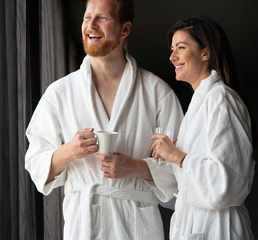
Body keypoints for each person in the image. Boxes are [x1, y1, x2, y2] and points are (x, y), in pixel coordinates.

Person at [25, 0, 183, 239]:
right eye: (87, 17)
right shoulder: (60, 93)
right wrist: (69, 151)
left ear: (125, 30)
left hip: (138, 226)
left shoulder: (157, 93)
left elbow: (182, 170)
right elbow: (36, 166)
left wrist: (137, 167)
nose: (91, 25)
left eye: (103, 18)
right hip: (83, 225)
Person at [150, 16, 255, 239]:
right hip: (196, 224)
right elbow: (188, 184)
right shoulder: (201, 103)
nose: (172, 57)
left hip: (218, 227)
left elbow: (226, 183)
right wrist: (170, 158)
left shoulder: (220, 99)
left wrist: (178, 157)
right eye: (172, 49)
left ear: (205, 53)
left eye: (181, 47)